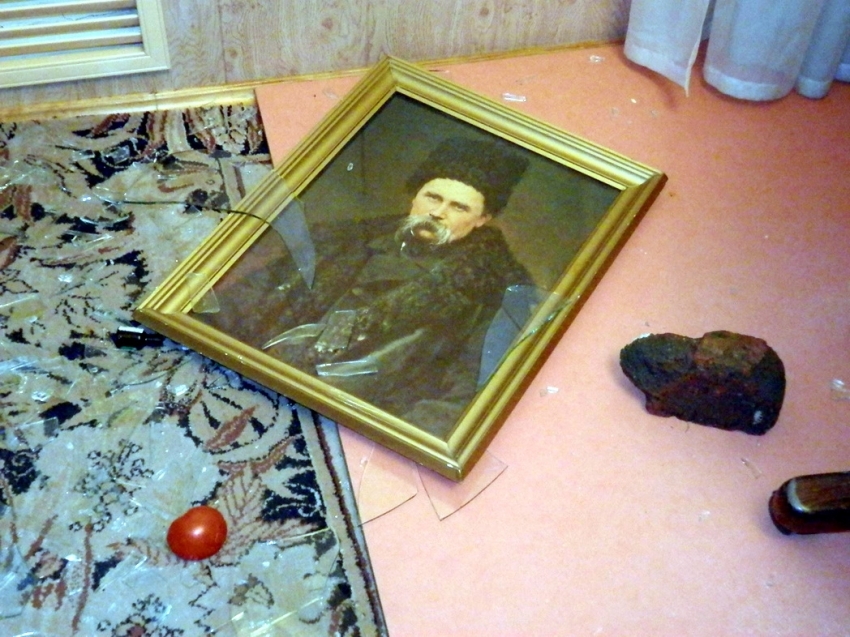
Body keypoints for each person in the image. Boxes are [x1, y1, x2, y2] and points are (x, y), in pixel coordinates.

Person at [208, 137, 532, 437]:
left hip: (339, 425)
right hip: (248, 374)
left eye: (459, 207)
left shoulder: (490, 294)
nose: (437, 213)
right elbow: (247, 296)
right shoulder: (342, 240)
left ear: (483, 219)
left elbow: (458, 402)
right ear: (415, 196)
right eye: (433, 197)